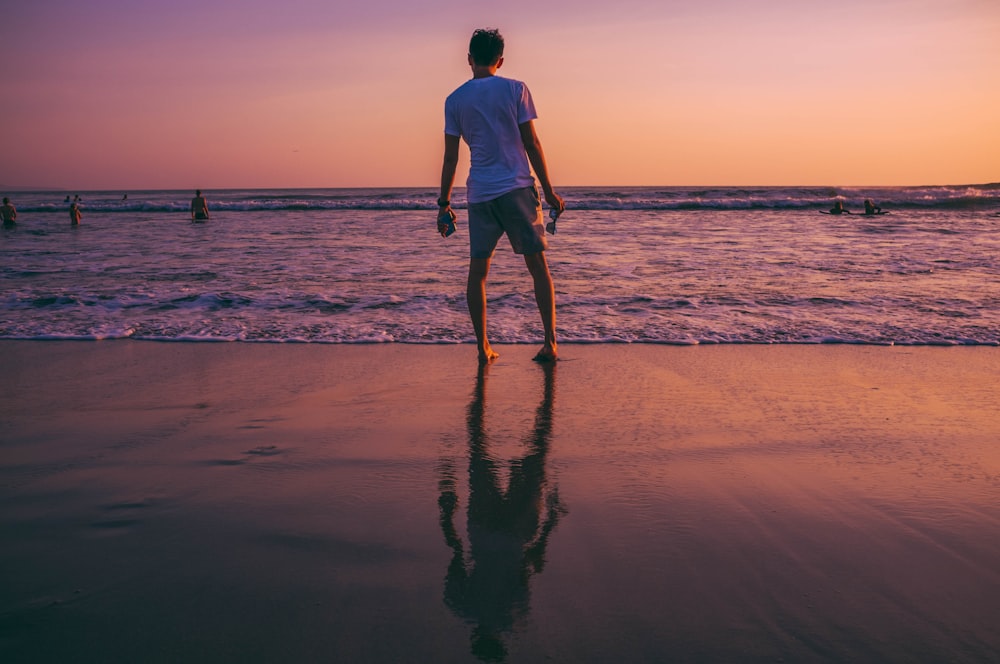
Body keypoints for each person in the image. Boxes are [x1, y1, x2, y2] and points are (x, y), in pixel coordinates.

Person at [438, 28, 565, 363]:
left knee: (478, 273)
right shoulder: (515, 89)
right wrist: (549, 190)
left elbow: (451, 157)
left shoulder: (454, 100)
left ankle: (483, 347)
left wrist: (444, 203)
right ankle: (550, 343)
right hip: (517, 188)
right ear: (501, 60)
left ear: (469, 59)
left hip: (479, 194)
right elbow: (531, 143)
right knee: (537, 266)